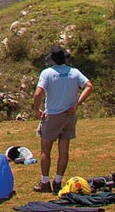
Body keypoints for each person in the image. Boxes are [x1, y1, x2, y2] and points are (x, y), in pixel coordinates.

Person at [32, 45, 93, 193]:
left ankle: (45, 182)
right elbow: (89, 86)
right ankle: (58, 181)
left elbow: (38, 93)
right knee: (64, 150)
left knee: (45, 150)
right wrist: (77, 103)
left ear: (52, 59)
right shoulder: (74, 72)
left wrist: (36, 109)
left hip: (52, 115)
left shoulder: (47, 73)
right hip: (69, 115)